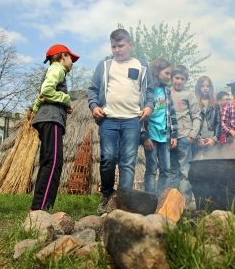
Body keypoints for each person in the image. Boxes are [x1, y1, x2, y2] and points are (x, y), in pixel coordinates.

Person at [88, 29, 154, 214]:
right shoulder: (105, 65)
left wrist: (149, 106)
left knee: (128, 162)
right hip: (108, 119)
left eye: (121, 45)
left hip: (132, 120)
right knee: (108, 159)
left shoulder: (141, 65)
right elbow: (93, 89)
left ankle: (124, 200)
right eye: (114, 46)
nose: (117, 50)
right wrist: (94, 106)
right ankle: (107, 195)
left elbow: (150, 92)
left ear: (130, 45)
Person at [30, 44, 79, 211]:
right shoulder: (57, 69)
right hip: (52, 120)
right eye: (71, 58)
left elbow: (41, 97)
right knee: (53, 163)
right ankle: (42, 208)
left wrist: (37, 110)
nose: (72, 62)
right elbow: (47, 90)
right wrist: (65, 99)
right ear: (63, 56)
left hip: (45, 119)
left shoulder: (51, 71)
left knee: (47, 162)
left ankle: (38, 207)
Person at [141, 59, 178, 195]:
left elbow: (172, 115)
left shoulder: (166, 91)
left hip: (165, 137)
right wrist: (145, 137)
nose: (169, 77)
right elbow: (140, 115)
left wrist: (174, 135)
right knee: (151, 169)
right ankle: (149, 198)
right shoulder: (146, 90)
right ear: (157, 72)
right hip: (151, 136)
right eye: (167, 73)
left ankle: (160, 198)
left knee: (166, 169)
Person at [169, 65, 201, 203]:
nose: (179, 81)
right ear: (171, 78)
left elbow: (196, 115)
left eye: (182, 79)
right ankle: (170, 202)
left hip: (184, 137)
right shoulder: (166, 93)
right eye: (177, 78)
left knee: (184, 171)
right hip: (169, 137)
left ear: (186, 80)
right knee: (171, 170)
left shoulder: (189, 95)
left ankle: (184, 203)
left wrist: (192, 135)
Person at [193, 76, 221, 158]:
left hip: (211, 139)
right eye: (202, 86)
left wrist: (214, 139)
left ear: (210, 88)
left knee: (212, 164)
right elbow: (191, 122)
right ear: (198, 87)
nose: (205, 88)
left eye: (207, 86)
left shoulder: (215, 104)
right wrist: (197, 139)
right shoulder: (194, 102)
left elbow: (218, 123)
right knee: (197, 164)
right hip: (198, 140)